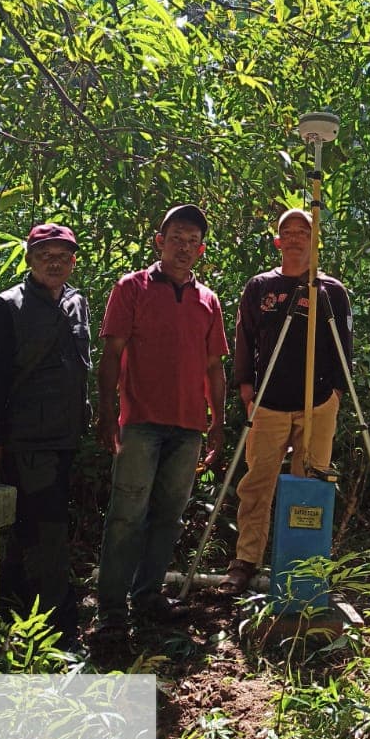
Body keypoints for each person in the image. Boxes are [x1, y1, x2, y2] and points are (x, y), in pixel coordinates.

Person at [96, 204, 228, 633]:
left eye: (192, 242)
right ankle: (112, 610)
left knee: (168, 515)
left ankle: (148, 594)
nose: (184, 248)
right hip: (140, 423)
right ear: (160, 241)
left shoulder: (207, 300)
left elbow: (214, 367)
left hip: (188, 427)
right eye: (176, 239)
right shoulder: (131, 288)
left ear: (201, 249)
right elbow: (111, 354)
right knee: (126, 515)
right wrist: (106, 412)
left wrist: (218, 423)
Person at [0, 222, 90, 646]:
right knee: (47, 536)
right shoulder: (6, 307)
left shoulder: (76, 302)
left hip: (64, 438)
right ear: (29, 260)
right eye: (44, 255)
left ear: (73, 261)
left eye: (62, 256)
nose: (54, 263)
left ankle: (16, 617)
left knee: (34, 532)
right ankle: (60, 633)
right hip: (26, 441)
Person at [223, 208, 352, 593]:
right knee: (256, 481)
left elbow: (344, 345)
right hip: (268, 399)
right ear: (278, 240)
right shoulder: (260, 287)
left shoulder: (331, 290)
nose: (295, 237)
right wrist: (245, 384)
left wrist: (336, 394)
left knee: (309, 481)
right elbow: (244, 337)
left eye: (303, 231)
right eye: (288, 231)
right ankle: (246, 560)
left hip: (318, 400)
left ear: (314, 239)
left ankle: (301, 564)